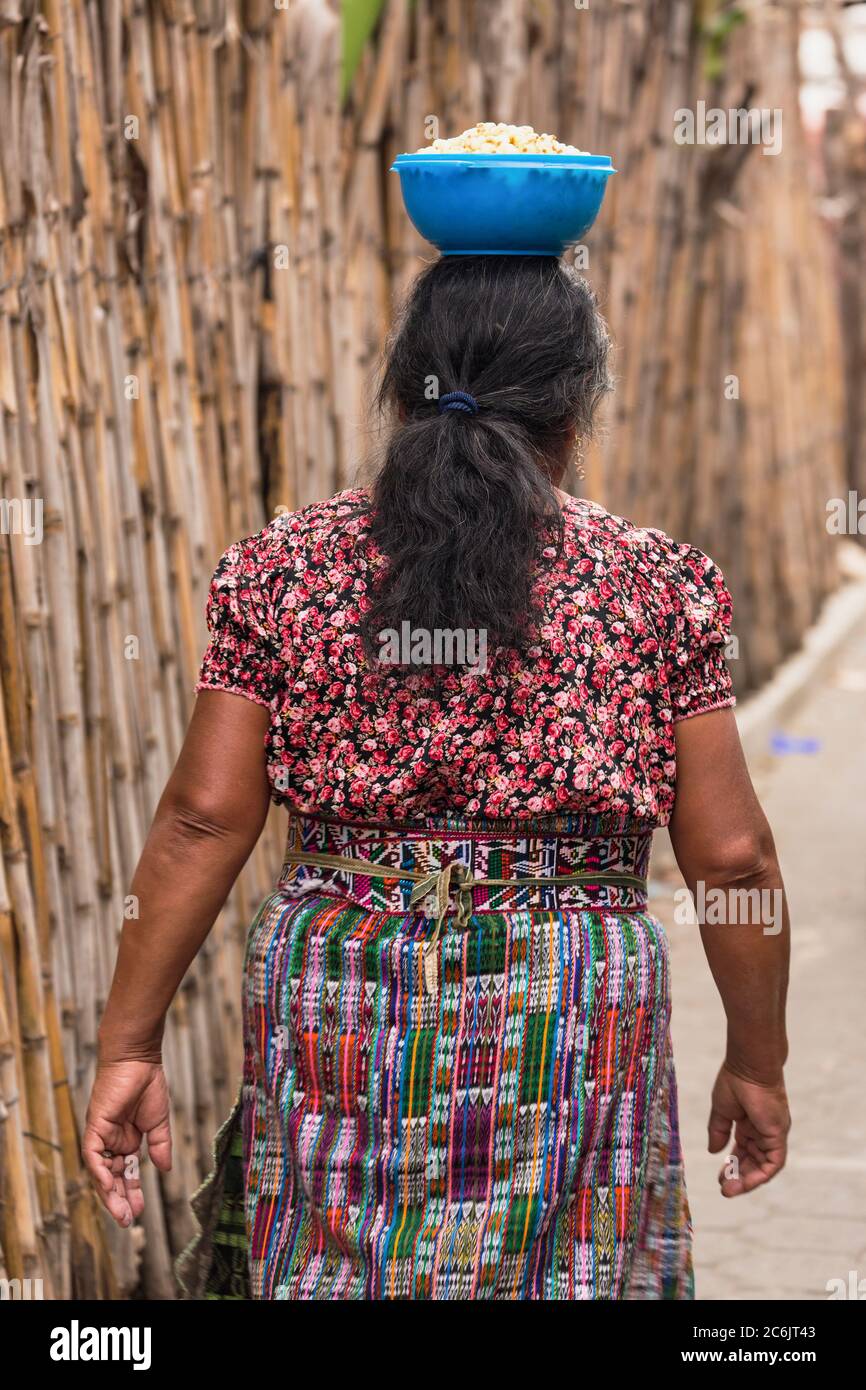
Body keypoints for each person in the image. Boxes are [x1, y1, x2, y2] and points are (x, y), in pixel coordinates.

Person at [84, 255, 790, 1301]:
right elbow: (729, 852)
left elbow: (201, 820)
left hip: (339, 983)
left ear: (402, 394)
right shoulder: (656, 585)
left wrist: (126, 1041)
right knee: (571, 1274)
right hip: (570, 1000)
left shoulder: (282, 568)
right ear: (573, 409)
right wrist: (759, 1059)